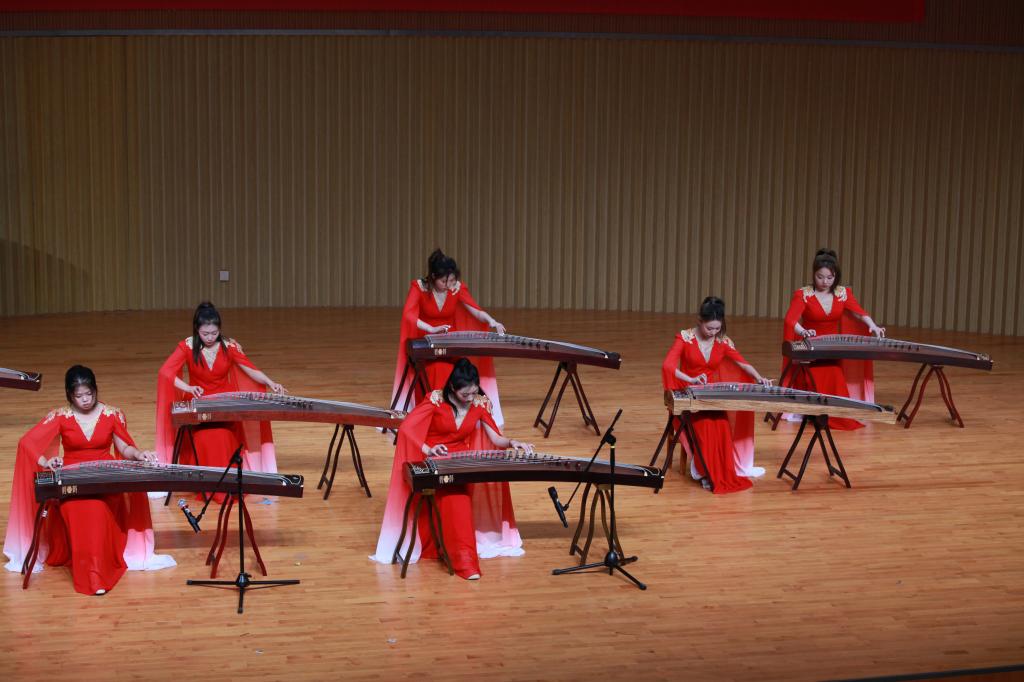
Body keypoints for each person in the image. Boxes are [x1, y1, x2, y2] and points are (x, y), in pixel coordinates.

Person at [3, 366, 176, 595]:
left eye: (89, 394)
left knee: (98, 509)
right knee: (81, 509)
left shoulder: (112, 414)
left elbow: (124, 447)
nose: (85, 400)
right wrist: (46, 461)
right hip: (73, 482)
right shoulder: (61, 416)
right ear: (69, 395)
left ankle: (96, 575)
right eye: (79, 396)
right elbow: (27, 442)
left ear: (95, 390)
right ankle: (93, 576)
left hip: (105, 480)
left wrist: (138, 454)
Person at [372, 359, 532, 579]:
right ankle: (465, 563)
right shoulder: (436, 400)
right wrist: (428, 449)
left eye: (474, 392)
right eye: (465, 394)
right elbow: (407, 428)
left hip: (460, 463)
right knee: (456, 501)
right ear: (452, 388)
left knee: (457, 499)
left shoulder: (479, 403)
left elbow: (495, 437)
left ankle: (454, 554)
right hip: (434, 460)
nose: (470, 398)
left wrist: (513, 442)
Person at [156, 302, 284, 474]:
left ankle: (228, 475)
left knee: (223, 435)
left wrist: (270, 382)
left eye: (214, 333)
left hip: (225, 406)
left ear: (220, 330)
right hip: (198, 404)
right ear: (197, 330)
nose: (210, 337)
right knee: (204, 437)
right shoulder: (187, 346)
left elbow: (250, 369)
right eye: (205, 334)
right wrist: (188, 388)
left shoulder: (229, 347)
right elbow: (165, 372)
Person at [661, 297, 773, 493]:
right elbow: (668, 366)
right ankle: (706, 472)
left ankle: (716, 473)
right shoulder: (685, 338)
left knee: (721, 424)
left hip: (710, 397)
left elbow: (742, 362)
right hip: (688, 396)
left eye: (717, 328)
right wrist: (691, 379)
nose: (713, 333)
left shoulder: (722, 341)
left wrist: (759, 378)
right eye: (709, 328)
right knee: (706, 427)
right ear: (700, 321)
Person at [390, 249, 507, 426]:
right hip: (426, 344)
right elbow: (408, 315)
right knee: (438, 369)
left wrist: (492, 321)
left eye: (451, 280)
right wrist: (431, 328)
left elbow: (475, 310)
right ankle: (438, 414)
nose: (448, 285)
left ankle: (461, 414)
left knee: (463, 369)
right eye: (443, 281)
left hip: (450, 345)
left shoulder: (455, 288)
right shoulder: (419, 287)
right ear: (433, 277)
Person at [782, 249, 885, 430]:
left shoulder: (842, 293)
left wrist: (873, 325)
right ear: (814, 274)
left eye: (829, 278)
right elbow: (791, 320)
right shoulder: (803, 294)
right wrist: (803, 331)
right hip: (810, 348)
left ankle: (831, 413)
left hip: (831, 349)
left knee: (834, 371)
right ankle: (819, 412)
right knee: (828, 374)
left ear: (835, 276)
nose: (825, 282)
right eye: (820, 277)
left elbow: (859, 313)